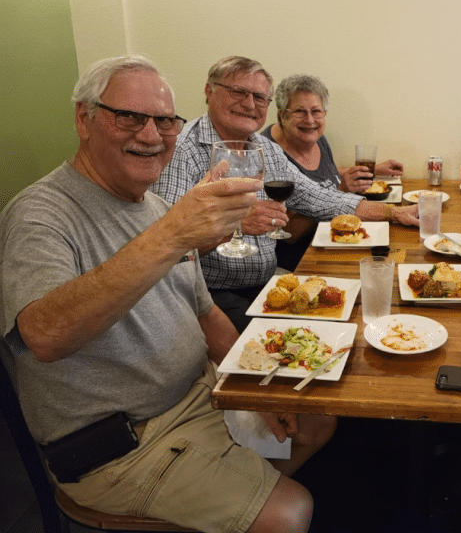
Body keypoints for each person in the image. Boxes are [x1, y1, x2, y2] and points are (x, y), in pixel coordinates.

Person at [0, 56, 339, 532]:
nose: (151, 134)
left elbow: (207, 316)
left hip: (200, 395)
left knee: (316, 419)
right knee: (289, 513)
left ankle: (233, 498)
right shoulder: (40, 214)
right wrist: (173, 235)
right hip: (124, 442)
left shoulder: (155, 205)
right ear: (84, 118)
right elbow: (45, 335)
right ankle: (245, 501)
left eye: (163, 120)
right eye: (129, 117)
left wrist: (256, 386)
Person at [151, 57, 418, 331]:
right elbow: (166, 251)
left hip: (267, 284)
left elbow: (319, 197)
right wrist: (235, 226)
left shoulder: (262, 147)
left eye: (259, 97)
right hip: (211, 296)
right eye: (238, 92)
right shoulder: (181, 151)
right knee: (312, 337)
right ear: (209, 91)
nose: (249, 104)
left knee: (353, 312)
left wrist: (395, 212)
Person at [264, 73, 404, 271]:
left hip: (335, 240)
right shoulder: (270, 153)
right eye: (300, 112)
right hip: (302, 259)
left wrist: (374, 169)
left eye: (316, 111)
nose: (310, 120)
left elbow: (323, 177)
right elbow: (289, 233)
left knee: (396, 253)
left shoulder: (316, 138)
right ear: (282, 115)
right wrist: (340, 191)